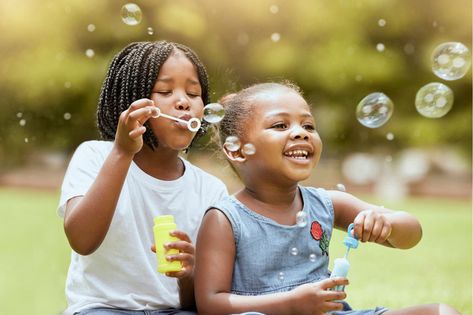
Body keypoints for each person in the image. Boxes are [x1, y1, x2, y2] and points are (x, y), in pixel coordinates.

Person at [194, 82, 460, 315]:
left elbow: (412, 233)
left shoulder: (326, 203)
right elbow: (210, 304)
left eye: (308, 125)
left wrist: (387, 224)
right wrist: (291, 305)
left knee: (441, 312)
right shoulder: (226, 218)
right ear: (238, 150)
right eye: (280, 125)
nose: (301, 132)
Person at [57, 41, 228, 315]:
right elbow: (82, 240)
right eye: (165, 91)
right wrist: (122, 153)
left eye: (194, 93)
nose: (184, 101)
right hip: (103, 308)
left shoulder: (210, 189)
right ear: (132, 104)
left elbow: (199, 301)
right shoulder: (95, 156)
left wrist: (188, 274)